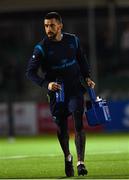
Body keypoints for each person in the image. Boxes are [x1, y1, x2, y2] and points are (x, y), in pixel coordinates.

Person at [26, 12, 95, 177]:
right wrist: (46, 84)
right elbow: (30, 72)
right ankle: (68, 157)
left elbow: (82, 59)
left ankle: (80, 163)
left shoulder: (73, 40)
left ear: (60, 26)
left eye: (52, 25)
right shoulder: (41, 47)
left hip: (74, 89)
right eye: (46, 26)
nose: (48, 29)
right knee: (62, 128)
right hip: (57, 93)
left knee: (79, 122)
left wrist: (87, 77)